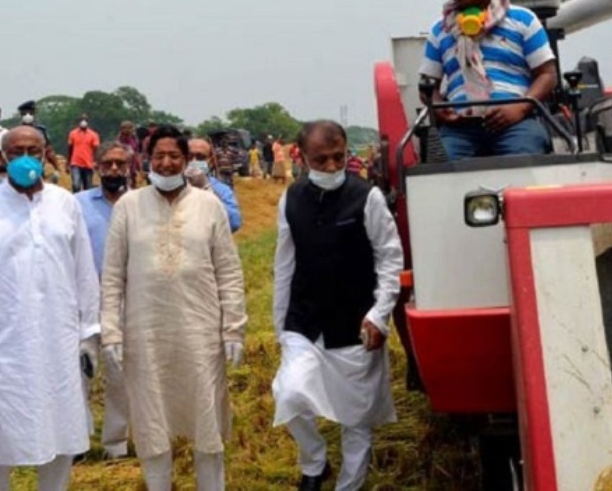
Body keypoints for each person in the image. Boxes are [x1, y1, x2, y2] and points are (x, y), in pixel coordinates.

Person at [0, 126, 100, 491]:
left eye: (33, 150)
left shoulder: (65, 203)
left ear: (45, 152)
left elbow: (83, 270)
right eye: (16, 151)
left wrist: (89, 333)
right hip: (4, 346)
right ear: (2, 157)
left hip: (59, 340)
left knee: (61, 433)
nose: (25, 158)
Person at [101, 125, 247, 490]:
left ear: (186, 161)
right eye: (159, 156)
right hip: (145, 332)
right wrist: (111, 332)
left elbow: (229, 271)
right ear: (146, 160)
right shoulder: (129, 207)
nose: (166, 163)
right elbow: (112, 275)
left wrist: (234, 328)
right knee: (152, 421)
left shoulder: (209, 205)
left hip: (200, 331)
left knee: (207, 420)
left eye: (174, 156)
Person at [271, 121, 403, 491]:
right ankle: (314, 462)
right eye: (321, 160)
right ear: (302, 158)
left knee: (355, 418)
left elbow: (391, 259)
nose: (331, 167)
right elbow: (284, 264)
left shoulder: (367, 197)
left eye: (338, 157)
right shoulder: (291, 198)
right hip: (305, 321)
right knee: (290, 393)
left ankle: (350, 485)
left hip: (356, 323)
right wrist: (281, 325)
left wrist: (380, 314)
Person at [419, 0, 557, 160]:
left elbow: (547, 75)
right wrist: (440, 109)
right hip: (460, 129)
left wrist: (519, 108)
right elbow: (427, 86)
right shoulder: (440, 31)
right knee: (440, 166)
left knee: (523, 160)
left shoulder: (524, 20)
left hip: (517, 123)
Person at [74, 142, 131, 459]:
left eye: (119, 164)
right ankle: (77, 440)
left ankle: (116, 443)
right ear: (96, 167)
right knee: (78, 372)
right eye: (107, 164)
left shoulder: (140, 203)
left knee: (120, 373)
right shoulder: (78, 204)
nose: (113, 170)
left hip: (127, 301)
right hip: (84, 302)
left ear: (129, 167)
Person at [186, 138, 242, 233]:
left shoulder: (221, 189)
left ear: (210, 160)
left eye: (200, 157)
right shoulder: (172, 186)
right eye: (189, 156)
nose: (194, 161)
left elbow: (234, 223)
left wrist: (207, 189)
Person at [17, 100, 62, 183]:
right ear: (21, 115)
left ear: (34, 114)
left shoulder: (41, 130)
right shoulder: (16, 132)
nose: (28, 115)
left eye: (30, 113)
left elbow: (49, 149)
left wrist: (56, 168)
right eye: (25, 113)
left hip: (38, 167)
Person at [67, 114, 101, 193]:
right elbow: (70, 149)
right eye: (82, 119)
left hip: (88, 164)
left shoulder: (93, 135)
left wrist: (96, 162)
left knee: (88, 187)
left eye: (85, 120)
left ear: (88, 122)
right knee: (76, 185)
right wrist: (68, 163)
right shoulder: (73, 133)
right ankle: (75, 200)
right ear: (78, 121)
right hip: (75, 163)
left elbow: (97, 149)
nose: (83, 121)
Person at [117, 121, 142, 188]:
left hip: (132, 165)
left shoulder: (134, 139)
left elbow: (136, 152)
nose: (127, 130)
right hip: (123, 164)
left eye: (129, 128)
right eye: (125, 128)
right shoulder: (119, 140)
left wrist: (138, 165)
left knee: (133, 183)